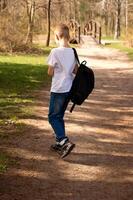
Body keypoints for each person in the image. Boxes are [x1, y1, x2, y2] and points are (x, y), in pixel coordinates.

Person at [47, 23, 78, 158]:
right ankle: (60, 143)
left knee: (53, 117)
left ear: (57, 36)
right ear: (68, 36)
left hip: (58, 89)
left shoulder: (55, 52)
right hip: (69, 89)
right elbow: (76, 70)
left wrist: (54, 68)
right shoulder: (73, 51)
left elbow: (50, 72)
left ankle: (64, 140)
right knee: (59, 116)